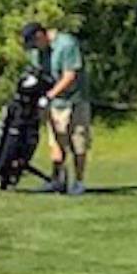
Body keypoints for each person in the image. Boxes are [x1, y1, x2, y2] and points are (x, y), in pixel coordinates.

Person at [22, 21, 90, 196]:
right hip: (54, 104)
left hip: (74, 101)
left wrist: (49, 95)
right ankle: (56, 180)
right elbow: (37, 72)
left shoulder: (66, 44)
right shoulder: (38, 52)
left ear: (40, 36)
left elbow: (70, 76)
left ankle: (79, 182)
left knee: (78, 143)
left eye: (34, 43)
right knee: (56, 142)